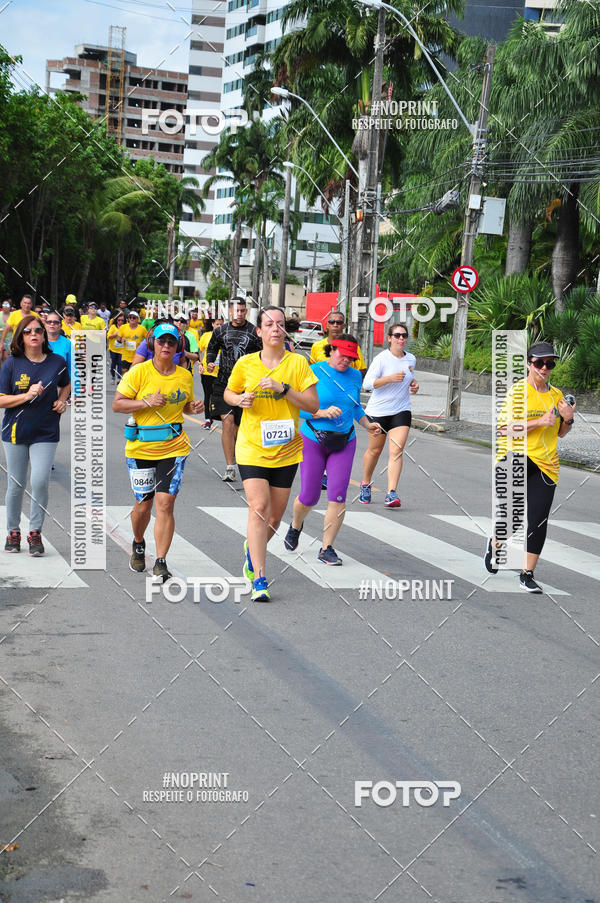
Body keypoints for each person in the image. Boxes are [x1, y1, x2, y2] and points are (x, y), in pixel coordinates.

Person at [224, 306, 319, 602]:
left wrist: (284, 389)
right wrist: (239, 400)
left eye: (280, 324)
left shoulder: (298, 363)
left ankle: (252, 551)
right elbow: (228, 392)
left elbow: (313, 405)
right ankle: (260, 580)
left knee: (275, 519)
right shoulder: (246, 363)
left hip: (287, 451)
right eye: (269, 324)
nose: (276, 328)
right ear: (260, 331)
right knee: (259, 508)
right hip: (252, 447)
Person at [112, 322, 204, 581]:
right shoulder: (139, 372)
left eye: (171, 342)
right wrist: (145, 402)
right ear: (152, 343)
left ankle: (161, 561)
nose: (166, 346)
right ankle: (138, 542)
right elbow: (117, 405)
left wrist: (193, 408)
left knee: (165, 503)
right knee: (144, 504)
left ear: (178, 347)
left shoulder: (185, 375)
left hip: (174, 447)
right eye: (161, 341)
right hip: (140, 447)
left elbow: (184, 406)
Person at [284, 335, 382, 565]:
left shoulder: (356, 375)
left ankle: (327, 548)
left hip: (344, 441)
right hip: (313, 438)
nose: (345, 360)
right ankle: (296, 524)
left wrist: (368, 424)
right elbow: (296, 408)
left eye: (350, 357)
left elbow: (355, 407)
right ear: (332, 349)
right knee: (309, 496)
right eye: (342, 354)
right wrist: (320, 413)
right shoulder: (312, 371)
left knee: (338, 495)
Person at [487, 341, 576, 593]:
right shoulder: (517, 392)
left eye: (549, 363)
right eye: (539, 363)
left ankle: (527, 573)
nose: (544, 368)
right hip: (515, 456)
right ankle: (495, 544)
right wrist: (540, 421)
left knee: (537, 519)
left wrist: (568, 418)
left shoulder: (556, 395)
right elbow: (503, 429)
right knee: (513, 519)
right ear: (528, 364)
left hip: (546, 465)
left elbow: (560, 434)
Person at [0, 315, 70, 555]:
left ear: (44, 335)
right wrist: (26, 396)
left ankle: (35, 532)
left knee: (40, 481)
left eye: (38, 331)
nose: (34, 334)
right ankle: (13, 531)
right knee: (16, 484)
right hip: (15, 432)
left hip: (46, 431)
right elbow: (1, 399)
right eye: (28, 331)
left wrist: (62, 400)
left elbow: (66, 384)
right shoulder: (12, 363)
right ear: (21, 335)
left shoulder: (57, 361)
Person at [359, 322, 419, 508]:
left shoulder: (411, 359)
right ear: (389, 338)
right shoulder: (381, 359)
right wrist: (389, 379)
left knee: (396, 450)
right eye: (397, 335)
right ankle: (365, 483)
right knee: (375, 450)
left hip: (401, 410)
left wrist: (414, 384)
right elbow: (367, 384)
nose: (401, 338)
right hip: (378, 412)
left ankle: (391, 493)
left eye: (404, 335)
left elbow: (410, 377)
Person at [207, 298, 262, 482]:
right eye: (236, 310)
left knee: (240, 428)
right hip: (224, 383)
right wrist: (209, 361)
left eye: (242, 310)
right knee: (227, 421)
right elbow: (212, 348)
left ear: (246, 311)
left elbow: (263, 354)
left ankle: (242, 457)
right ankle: (230, 466)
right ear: (230, 311)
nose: (239, 314)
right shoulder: (221, 330)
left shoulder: (254, 332)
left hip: (246, 385)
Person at [309, 311, 367, 376]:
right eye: (332, 322)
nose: (335, 325)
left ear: (344, 326)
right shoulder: (316, 346)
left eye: (339, 322)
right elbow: (311, 369)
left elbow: (362, 371)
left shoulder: (351, 346)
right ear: (327, 325)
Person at [197, 317, 223, 429]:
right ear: (213, 324)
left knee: (220, 396)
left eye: (221, 324)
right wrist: (200, 364)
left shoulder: (225, 336)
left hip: (221, 372)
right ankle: (208, 419)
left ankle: (222, 417)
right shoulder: (206, 336)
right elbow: (198, 351)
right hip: (207, 372)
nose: (219, 326)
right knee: (208, 395)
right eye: (217, 324)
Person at [45, 313, 72, 377]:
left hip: (62, 383)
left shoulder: (67, 343)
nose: (52, 324)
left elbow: (71, 367)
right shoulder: (39, 341)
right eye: (49, 322)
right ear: (45, 324)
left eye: (56, 322)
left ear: (61, 325)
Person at [107, 312, 126, 381]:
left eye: (122, 320)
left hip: (122, 349)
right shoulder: (113, 327)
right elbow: (108, 336)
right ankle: (113, 375)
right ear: (116, 320)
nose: (120, 322)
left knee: (120, 364)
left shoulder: (125, 327)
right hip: (113, 349)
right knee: (113, 364)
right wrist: (116, 334)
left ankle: (119, 378)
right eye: (119, 320)